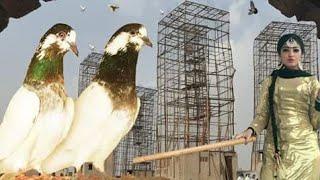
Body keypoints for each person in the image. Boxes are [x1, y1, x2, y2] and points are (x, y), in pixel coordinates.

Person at [236, 33, 320, 179]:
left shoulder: (311, 82)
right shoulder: (270, 81)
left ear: (302, 54)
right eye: (286, 50)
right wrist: (251, 129)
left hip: (305, 152)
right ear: (279, 54)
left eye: (295, 50)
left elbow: (315, 122)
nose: (291, 54)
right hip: (275, 150)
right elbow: (263, 114)